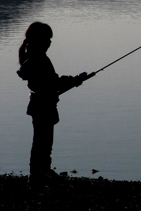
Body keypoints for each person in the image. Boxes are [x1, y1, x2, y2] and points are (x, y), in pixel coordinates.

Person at [16, 22, 89, 184]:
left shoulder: (31, 57)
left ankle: (37, 173)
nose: (49, 42)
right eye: (47, 39)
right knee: (44, 142)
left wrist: (73, 81)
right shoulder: (39, 59)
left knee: (40, 142)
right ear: (38, 39)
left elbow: (48, 83)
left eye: (50, 39)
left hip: (37, 104)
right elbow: (53, 83)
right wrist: (75, 80)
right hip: (44, 106)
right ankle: (41, 172)